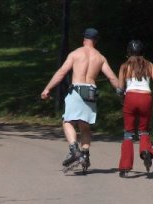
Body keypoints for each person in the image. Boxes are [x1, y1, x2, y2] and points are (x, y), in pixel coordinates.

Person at [41, 28, 119, 173]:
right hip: (91, 92)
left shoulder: (75, 54)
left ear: (84, 39)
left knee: (67, 122)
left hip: (76, 90)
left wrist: (47, 89)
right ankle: (85, 154)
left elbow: (62, 72)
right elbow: (112, 78)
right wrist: (121, 92)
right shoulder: (100, 57)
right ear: (95, 41)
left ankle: (74, 150)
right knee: (85, 126)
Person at [116, 40, 153, 177]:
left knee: (128, 133)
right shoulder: (149, 65)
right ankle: (145, 151)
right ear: (143, 52)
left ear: (128, 52)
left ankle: (125, 166)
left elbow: (120, 90)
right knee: (144, 130)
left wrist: (122, 100)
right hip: (146, 98)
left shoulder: (124, 66)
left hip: (130, 98)